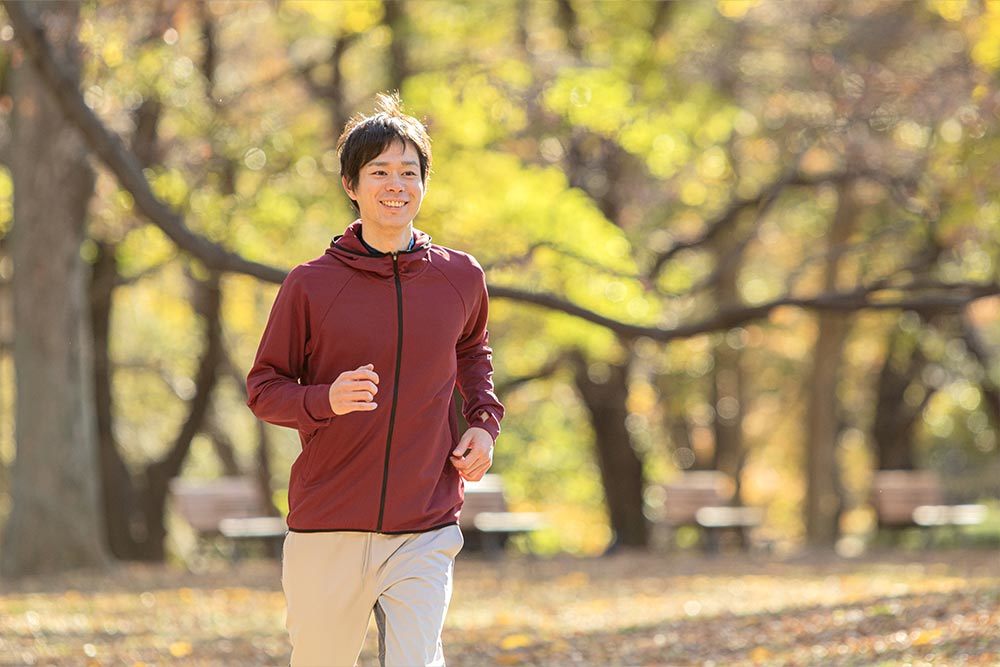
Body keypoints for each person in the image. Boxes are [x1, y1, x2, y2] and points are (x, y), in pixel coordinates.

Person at [246, 93, 504, 667]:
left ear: (424, 183)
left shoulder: (460, 278)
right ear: (351, 185)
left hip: (425, 522)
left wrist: (484, 425)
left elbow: (472, 351)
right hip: (328, 526)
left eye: (409, 172)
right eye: (379, 172)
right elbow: (264, 387)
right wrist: (324, 400)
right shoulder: (311, 285)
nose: (396, 185)